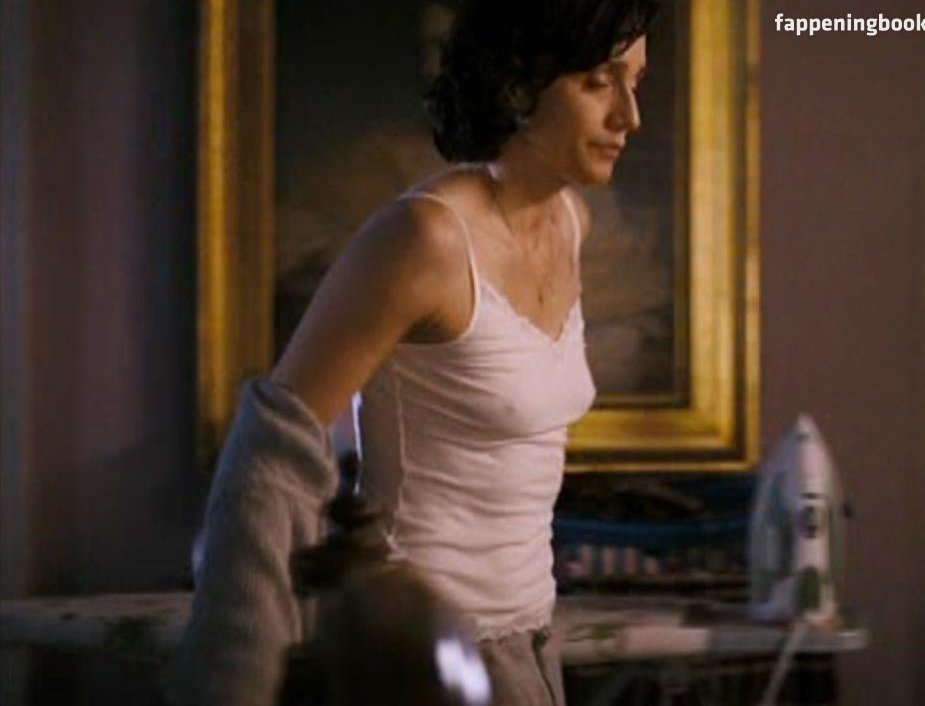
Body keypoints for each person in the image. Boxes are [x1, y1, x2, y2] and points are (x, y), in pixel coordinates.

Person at [171, 1, 657, 704]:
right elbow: (268, 459)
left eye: (635, 83)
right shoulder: (424, 238)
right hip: (414, 660)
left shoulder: (570, 222)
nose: (628, 116)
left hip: (528, 646)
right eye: (598, 83)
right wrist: (234, 686)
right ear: (519, 85)